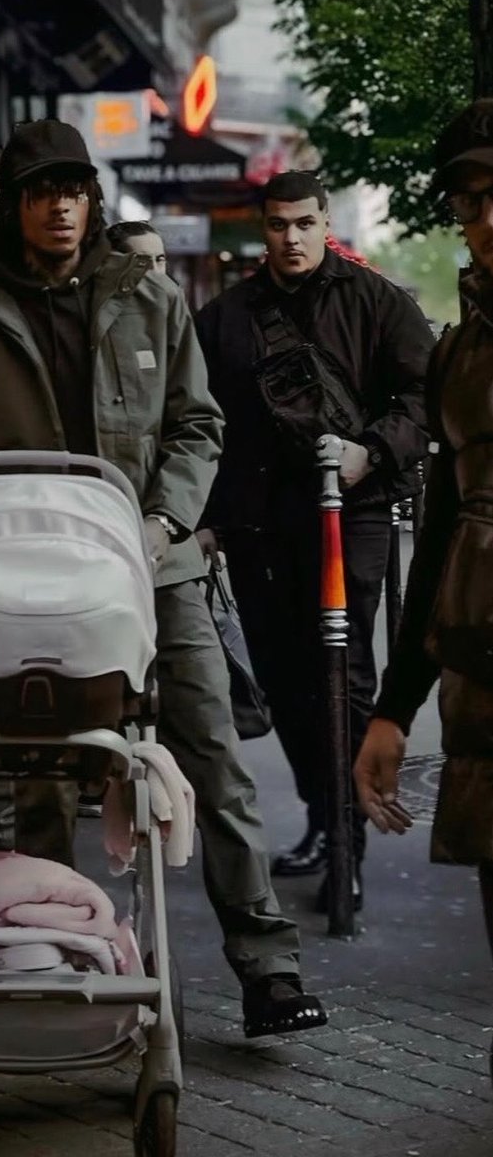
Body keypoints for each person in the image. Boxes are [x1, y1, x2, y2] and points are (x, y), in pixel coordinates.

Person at [0, 119, 327, 1038]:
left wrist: (162, 519)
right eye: (41, 191)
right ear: (12, 206)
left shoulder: (145, 295)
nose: (61, 206)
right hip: (21, 582)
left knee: (211, 756)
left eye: (75, 189)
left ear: (93, 199)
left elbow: (196, 425)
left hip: (153, 564)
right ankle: (52, 966)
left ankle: (267, 965)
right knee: (41, 769)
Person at [194, 171, 433, 911]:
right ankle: (323, 814)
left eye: (302, 223)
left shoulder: (377, 301)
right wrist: (203, 518)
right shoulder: (224, 317)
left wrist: (372, 448)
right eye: (275, 225)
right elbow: (200, 421)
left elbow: (424, 398)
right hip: (259, 523)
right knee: (283, 679)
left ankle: (345, 843)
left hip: (348, 512)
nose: (289, 237)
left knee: (342, 669)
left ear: (323, 220)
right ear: (260, 228)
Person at [354, 100, 493, 1067]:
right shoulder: (460, 348)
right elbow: (439, 533)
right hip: (481, 695)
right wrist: (391, 708)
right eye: (469, 201)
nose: (486, 219)